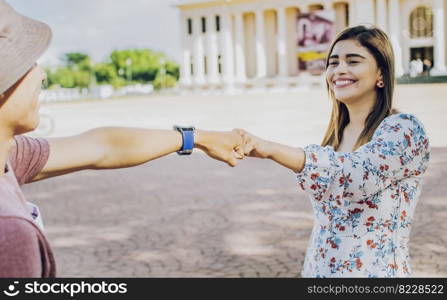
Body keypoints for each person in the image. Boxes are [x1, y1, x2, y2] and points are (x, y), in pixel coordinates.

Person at [0, 1, 243, 277]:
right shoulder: (8, 232)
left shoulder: (8, 156)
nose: (41, 75)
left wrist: (197, 138)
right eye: (28, 63)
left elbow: (103, 146)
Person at [236, 26, 430, 277]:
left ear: (381, 73)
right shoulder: (334, 138)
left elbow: (352, 177)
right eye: (333, 62)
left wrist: (270, 149)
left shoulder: (403, 130)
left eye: (353, 61)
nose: (339, 70)